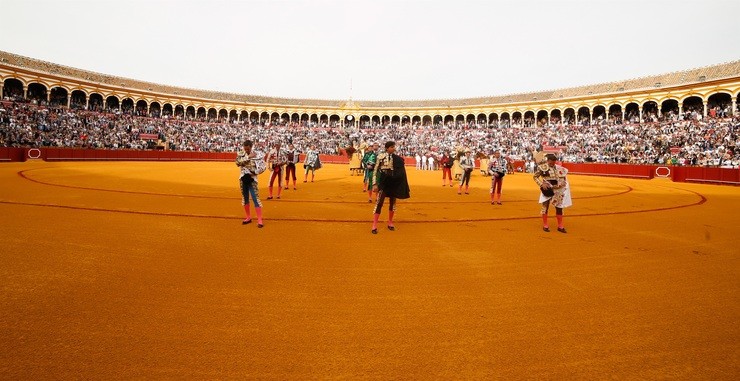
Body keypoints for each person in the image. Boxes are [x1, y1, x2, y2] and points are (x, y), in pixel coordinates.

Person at [371, 141, 410, 234]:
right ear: (387, 148)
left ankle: (390, 222)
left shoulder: (397, 159)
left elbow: (400, 172)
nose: (394, 148)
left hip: (393, 182)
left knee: (392, 203)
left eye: (394, 147)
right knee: (379, 202)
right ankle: (374, 225)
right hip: (384, 182)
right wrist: (374, 184)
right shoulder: (380, 157)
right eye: (392, 147)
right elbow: (375, 171)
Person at [533, 153, 572, 233]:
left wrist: (564, 183)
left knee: (559, 207)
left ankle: (560, 226)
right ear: (547, 161)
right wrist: (541, 184)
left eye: (554, 163)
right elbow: (535, 176)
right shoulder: (542, 167)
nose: (552, 164)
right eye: (550, 163)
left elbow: (564, 178)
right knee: (545, 207)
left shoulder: (559, 169)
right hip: (547, 189)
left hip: (558, 190)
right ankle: (545, 225)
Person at [235, 140, 266, 228]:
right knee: (245, 198)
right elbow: (237, 163)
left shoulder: (258, 154)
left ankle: (259, 220)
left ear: (251, 147)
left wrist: (255, 172)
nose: (246, 151)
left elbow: (263, 167)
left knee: (255, 198)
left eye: (248, 149)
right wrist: (248, 157)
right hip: (243, 179)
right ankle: (248, 217)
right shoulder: (242, 153)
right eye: (245, 149)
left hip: (253, 179)